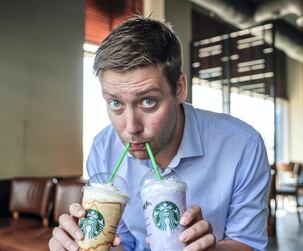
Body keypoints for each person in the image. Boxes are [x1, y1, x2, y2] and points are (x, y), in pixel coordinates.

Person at [49, 16, 270, 251]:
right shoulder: (103, 149)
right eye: (115, 103)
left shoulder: (243, 145)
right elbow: (125, 244)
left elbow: (248, 242)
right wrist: (87, 245)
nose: (131, 127)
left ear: (180, 89)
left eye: (148, 101)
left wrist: (211, 249)